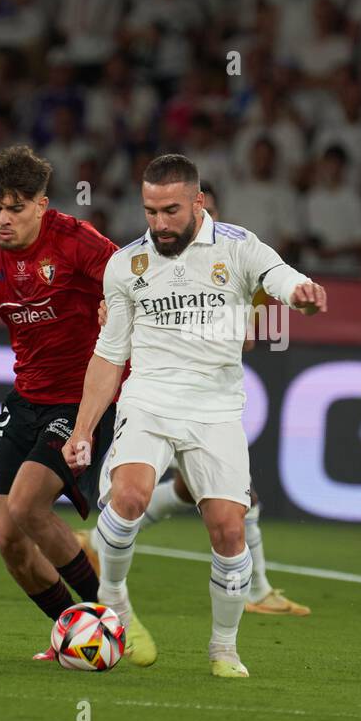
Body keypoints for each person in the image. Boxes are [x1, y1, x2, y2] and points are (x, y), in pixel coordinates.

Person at [63, 154, 327, 678]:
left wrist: (299, 293)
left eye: (170, 211)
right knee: (129, 496)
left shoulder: (237, 245)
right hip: (149, 399)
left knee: (229, 530)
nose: (159, 223)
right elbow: (109, 354)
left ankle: (223, 649)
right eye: (150, 212)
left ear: (198, 201)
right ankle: (113, 598)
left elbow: (277, 275)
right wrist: (83, 428)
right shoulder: (126, 265)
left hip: (217, 408)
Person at [0, 145, 156, 665]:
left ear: (42, 205)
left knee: (27, 505)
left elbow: (135, 281)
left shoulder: (77, 241)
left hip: (85, 396)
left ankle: (113, 616)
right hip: (27, 397)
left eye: (16, 208)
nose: (3, 219)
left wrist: (114, 306)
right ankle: (75, 630)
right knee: (8, 539)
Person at [133, 183, 311, 616]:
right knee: (236, 493)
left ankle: (99, 543)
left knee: (187, 488)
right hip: (163, 394)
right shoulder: (148, 262)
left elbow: (252, 333)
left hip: (212, 398)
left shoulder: (234, 258)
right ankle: (256, 591)